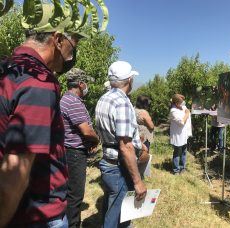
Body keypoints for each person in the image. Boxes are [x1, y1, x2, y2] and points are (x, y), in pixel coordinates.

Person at [0, 2, 108, 227]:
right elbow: (14, 174)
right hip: (38, 214)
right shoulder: (38, 82)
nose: (72, 53)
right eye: (73, 44)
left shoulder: (10, 69)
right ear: (57, 39)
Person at [95, 61, 147, 228]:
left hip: (108, 161)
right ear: (129, 79)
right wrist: (138, 182)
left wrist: (136, 138)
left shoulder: (105, 98)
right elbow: (125, 146)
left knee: (112, 207)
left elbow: (115, 133)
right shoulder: (122, 102)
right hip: (119, 167)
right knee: (116, 217)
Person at [60, 68, 99, 228]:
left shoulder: (66, 99)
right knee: (75, 194)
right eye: (86, 83)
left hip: (70, 151)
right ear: (81, 84)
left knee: (71, 192)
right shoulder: (73, 102)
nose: (87, 86)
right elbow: (86, 130)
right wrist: (96, 140)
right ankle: (73, 224)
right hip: (74, 154)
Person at [169, 94, 192, 175]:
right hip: (178, 135)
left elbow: (186, 110)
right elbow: (181, 122)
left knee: (184, 152)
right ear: (176, 103)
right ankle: (176, 169)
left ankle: (182, 167)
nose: (183, 103)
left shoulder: (182, 107)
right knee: (177, 152)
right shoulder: (173, 111)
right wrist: (187, 113)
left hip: (184, 134)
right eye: (181, 102)